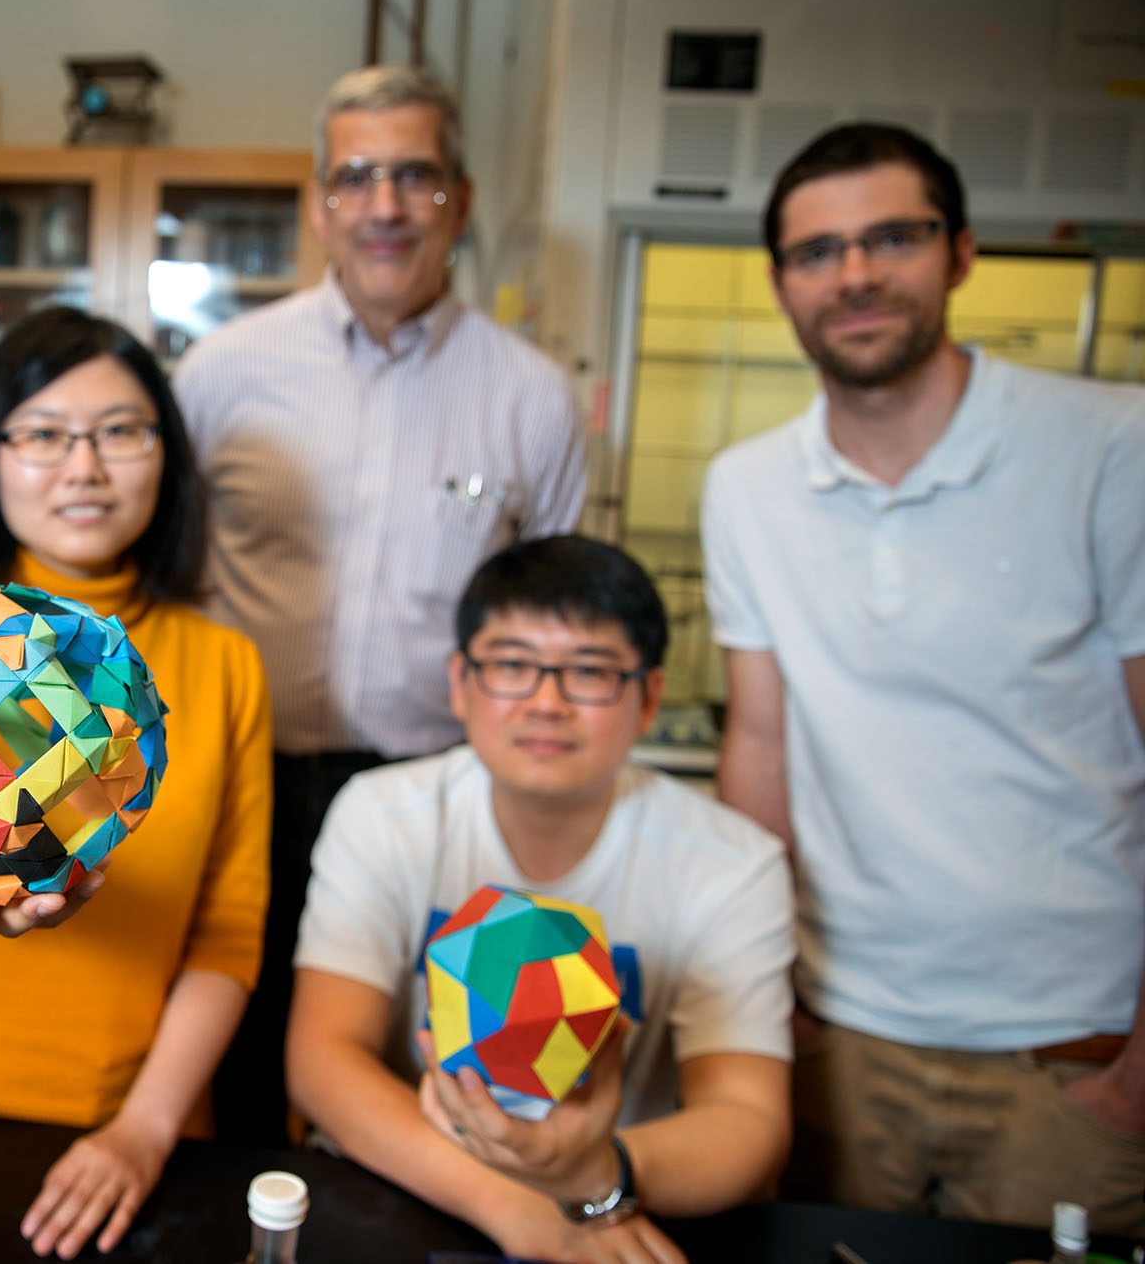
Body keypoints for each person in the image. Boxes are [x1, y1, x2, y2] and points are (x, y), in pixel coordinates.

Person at [703, 122, 1145, 1232]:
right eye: (817, 252)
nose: (853, 275)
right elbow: (759, 748)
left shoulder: (1106, 446)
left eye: (889, 238)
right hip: (841, 1041)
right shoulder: (747, 487)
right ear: (779, 283)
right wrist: (772, 1012)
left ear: (958, 252)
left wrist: (1136, 1069)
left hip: (1068, 1050)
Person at [176, 63, 587, 1140]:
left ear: (459, 199)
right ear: (318, 204)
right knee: (243, 1063)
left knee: (424, 1073)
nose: (385, 206)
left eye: (415, 176)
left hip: (432, 798)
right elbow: (161, 585)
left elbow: (556, 624)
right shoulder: (222, 373)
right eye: (355, 178)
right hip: (244, 788)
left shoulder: (532, 397)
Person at [0, 307, 271, 1260]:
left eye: (120, 431)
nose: (83, 466)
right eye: (41, 433)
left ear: (167, 454)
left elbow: (229, 932)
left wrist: (144, 1129)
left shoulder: (226, 664)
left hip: (134, 1129)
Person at [287, 536, 793, 1263]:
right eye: (513, 665)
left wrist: (592, 1172)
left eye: (590, 671)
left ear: (649, 696)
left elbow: (747, 1118)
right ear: (460, 682)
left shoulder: (733, 865)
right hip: (407, 1187)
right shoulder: (381, 814)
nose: (548, 702)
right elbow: (323, 1059)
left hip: (618, 1196)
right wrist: (518, 1203)